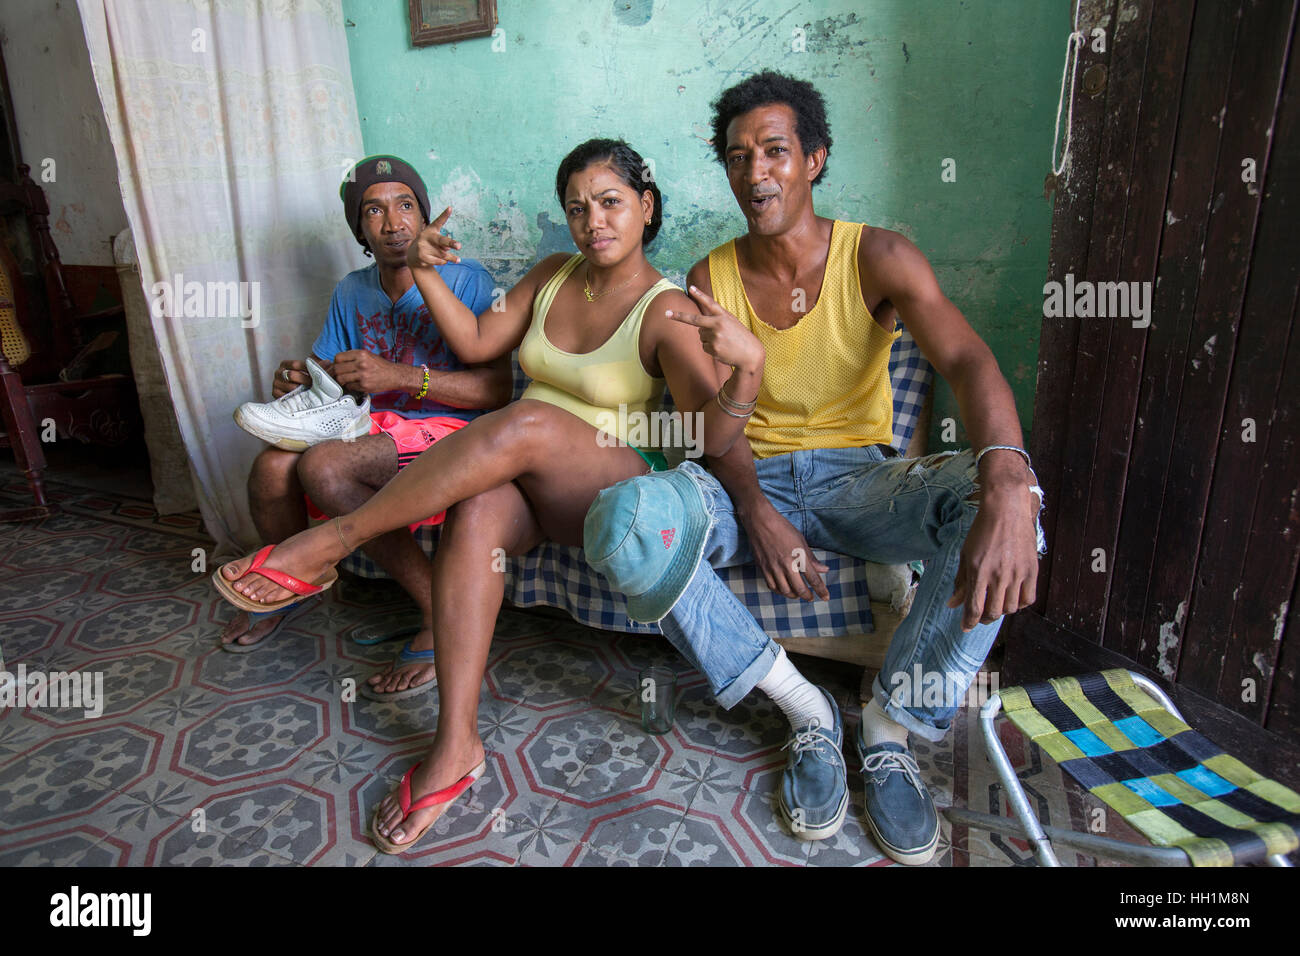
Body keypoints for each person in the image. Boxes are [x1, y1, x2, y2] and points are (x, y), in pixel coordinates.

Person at [211, 139, 767, 852]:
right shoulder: (550, 275)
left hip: (613, 482)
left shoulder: (665, 310)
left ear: (646, 207)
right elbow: (476, 341)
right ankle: (455, 745)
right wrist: (421, 268)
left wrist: (744, 378)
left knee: (532, 417)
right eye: (576, 207)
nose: (591, 221)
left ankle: (329, 541)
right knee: (478, 511)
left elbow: (707, 437)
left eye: (610, 203)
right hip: (527, 473)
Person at [583, 71, 1045, 865]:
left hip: (861, 483)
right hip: (745, 480)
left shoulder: (880, 256)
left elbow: (967, 358)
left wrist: (1009, 476)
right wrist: (758, 512)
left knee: (1008, 511)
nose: (754, 173)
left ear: (815, 159)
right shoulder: (708, 279)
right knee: (622, 522)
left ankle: (890, 728)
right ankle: (807, 714)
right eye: (736, 157)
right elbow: (706, 430)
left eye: (774, 151)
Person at [221, 154, 510, 709]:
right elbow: (333, 382)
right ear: (358, 228)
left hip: (453, 432)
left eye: (405, 205)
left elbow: (496, 391)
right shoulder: (352, 290)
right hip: (371, 427)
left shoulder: (467, 280)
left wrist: (399, 376)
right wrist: (299, 378)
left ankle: (439, 613)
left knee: (325, 466)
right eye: (373, 210)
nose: (393, 222)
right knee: (270, 466)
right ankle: (286, 592)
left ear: (425, 218)